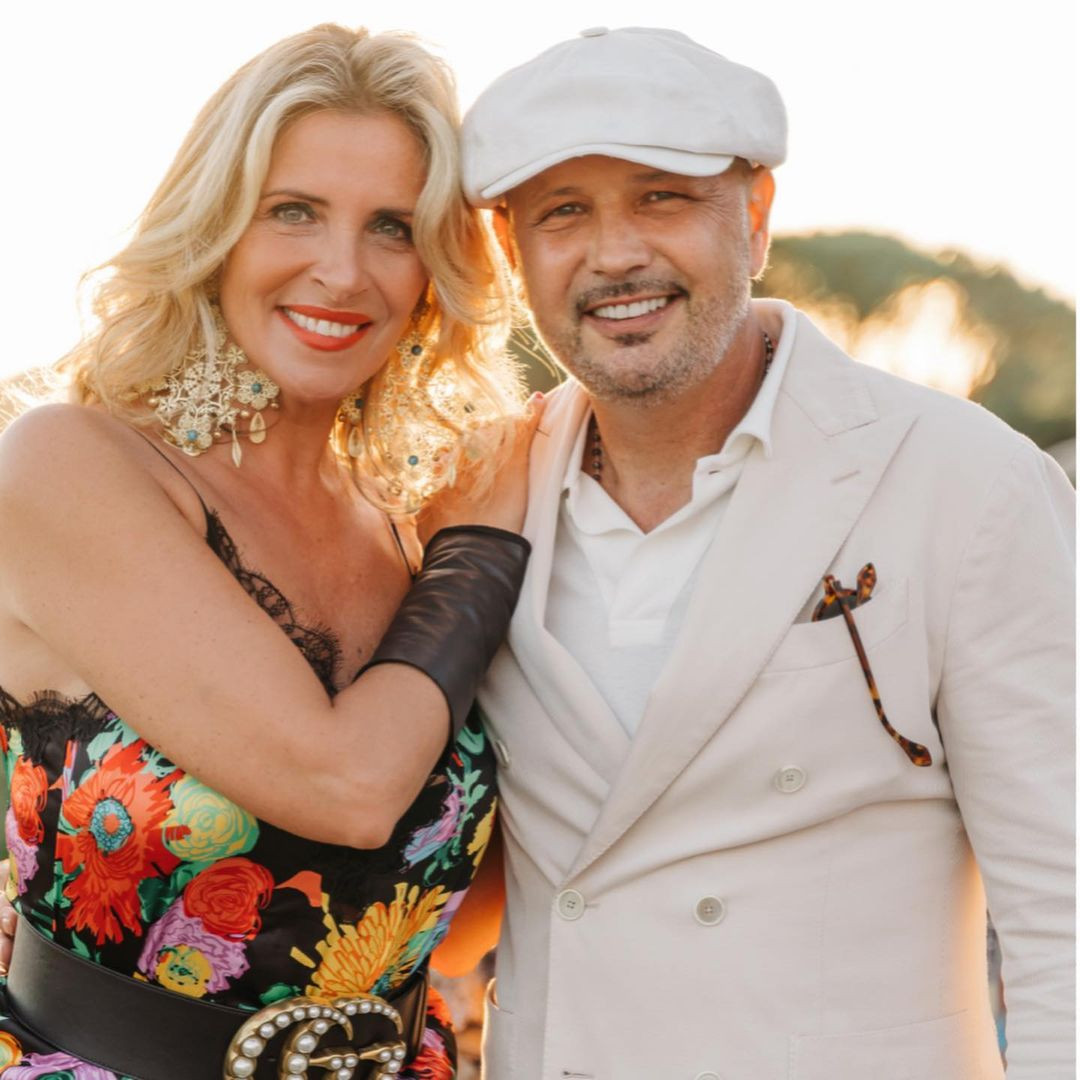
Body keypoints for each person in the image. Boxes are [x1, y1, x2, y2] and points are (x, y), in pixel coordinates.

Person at [460, 27, 1075, 1079]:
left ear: (754, 217)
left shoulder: (967, 480)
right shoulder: (475, 491)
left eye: (661, 196)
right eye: (563, 211)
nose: (615, 254)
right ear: (512, 255)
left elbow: (1064, 904)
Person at [0, 24, 540, 1079]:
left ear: (434, 270)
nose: (342, 271)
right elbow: (348, 788)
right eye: (293, 210)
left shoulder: (410, 521)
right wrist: (481, 553)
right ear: (214, 230)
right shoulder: (72, 465)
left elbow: (443, 914)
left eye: (393, 227)